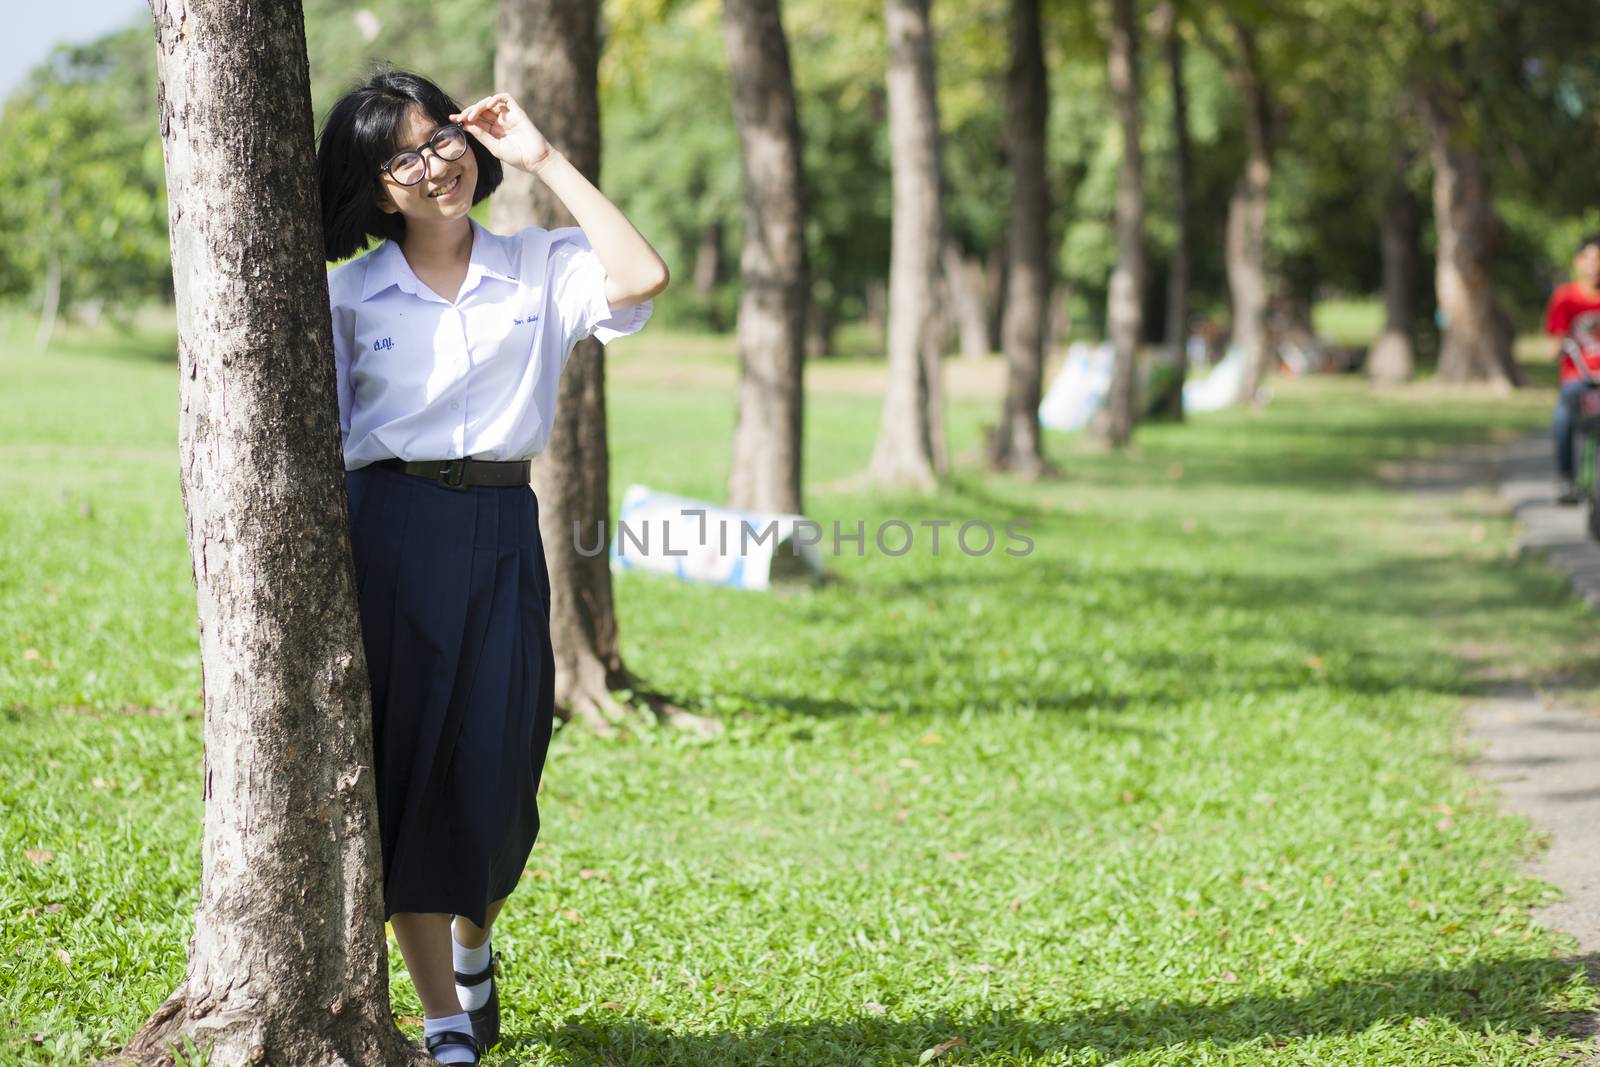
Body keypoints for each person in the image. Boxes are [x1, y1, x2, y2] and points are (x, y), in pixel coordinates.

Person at [315, 69, 669, 1065]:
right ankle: (444, 1024)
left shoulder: (543, 263)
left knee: (503, 777)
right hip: (386, 527)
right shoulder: (344, 295)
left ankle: (476, 944)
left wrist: (543, 156)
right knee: (410, 773)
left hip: (506, 525)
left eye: (446, 139)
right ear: (378, 185)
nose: (438, 165)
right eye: (408, 154)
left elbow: (641, 279)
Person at [1544, 233, 1600, 504]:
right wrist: (1559, 349)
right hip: (1579, 376)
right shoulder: (1566, 297)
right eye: (1588, 259)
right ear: (1578, 262)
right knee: (1563, 416)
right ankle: (1565, 477)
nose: (1594, 265)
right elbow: (1555, 341)